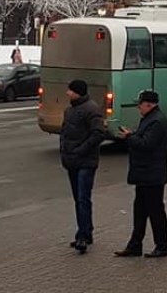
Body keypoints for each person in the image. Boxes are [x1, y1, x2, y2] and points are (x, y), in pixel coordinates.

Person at [115, 89, 167, 258]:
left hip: (152, 174)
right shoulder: (149, 119)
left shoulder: (157, 122)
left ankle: (162, 245)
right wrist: (132, 134)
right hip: (145, 174)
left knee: (155, 211)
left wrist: (129, 138)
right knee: (140, 210)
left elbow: (147, 145)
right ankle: (135, 245)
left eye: (139, 105)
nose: (138, 108)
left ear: (149, 104)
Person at [60, 79, 104, 254]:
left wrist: (80, 150)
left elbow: (98, 134)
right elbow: (64, 133)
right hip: (72, 160)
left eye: (70, 90)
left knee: (83, 198)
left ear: (77, 92)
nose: (67, 93)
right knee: (79, 198)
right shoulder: (69, 111)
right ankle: (85, 230)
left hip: (86, 161)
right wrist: (65, 152)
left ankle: (83, 236)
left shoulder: (92, 110)